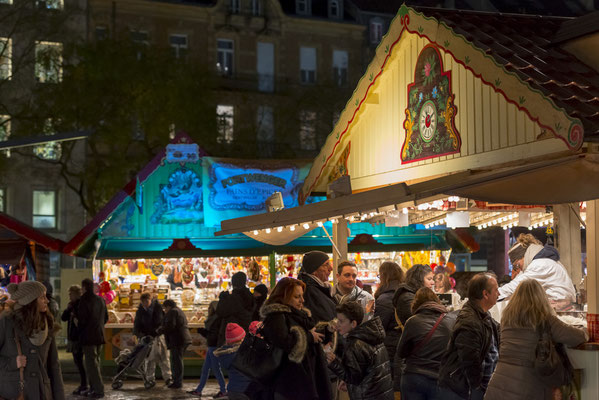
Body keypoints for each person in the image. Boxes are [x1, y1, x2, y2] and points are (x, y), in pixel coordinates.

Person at [485, 279, 586, 400]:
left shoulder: (507, 320)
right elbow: (577, 337)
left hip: (497, 385)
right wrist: (586, 330)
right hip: (527, 388)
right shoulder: (545, 319)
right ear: (541, 298)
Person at [260, 277, 332, 400]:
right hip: (289, 381)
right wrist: (309, 337)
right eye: (297, 297)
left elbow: (311, 333)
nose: (302, 300)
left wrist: (328, 330)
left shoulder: (300, 315)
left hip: (305, 374)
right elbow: (284, 342)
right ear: (284, 296)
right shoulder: (276, 316)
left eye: (302, 296)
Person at [438, 273, 500, 400]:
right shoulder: (470, 321)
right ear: (485, 294)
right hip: (463, 390)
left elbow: (499, 330)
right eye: (496, 290)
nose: (499, 293)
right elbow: (469, 359)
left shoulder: (483, 314)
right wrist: (478, 386)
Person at [0, 281, 65, 400]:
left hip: (42, 392)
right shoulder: (7, 322)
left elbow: (54, 366)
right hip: (15, 393)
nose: (47, 300)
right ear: (30, 300)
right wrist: (13, 363)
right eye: (42, 297)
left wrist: (59, 396)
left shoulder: (48, 324)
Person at [396, 288, 457, 400]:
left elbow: (401, 352)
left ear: (415, 304)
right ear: (437, 300)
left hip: (414, 378)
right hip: (440, 379)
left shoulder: (412, 321)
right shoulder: (451, 320)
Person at [327, 301, 394, 400]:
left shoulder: (354, 345)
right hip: (382, 393)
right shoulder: (372, 335)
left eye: (341, 321)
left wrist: (334, 363)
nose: (337, 324)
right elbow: (365, 371)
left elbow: (354, 378)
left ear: (353, 323)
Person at [499, 242, 576, 307]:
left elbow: (518, 286)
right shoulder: (545, 261)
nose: (520, 269)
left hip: (558, 307)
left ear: (524, 257)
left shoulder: (540, 264)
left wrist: (493, 294)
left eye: (517, 265)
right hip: (562, 304)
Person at [133, 292, 172, 388]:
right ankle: (150, 378)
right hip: (147, 337)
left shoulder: (157, 308)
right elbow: (137, 323)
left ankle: (168, 378)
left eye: (146, 301)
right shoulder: (140, 310)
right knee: (149, 358)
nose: (145, 304)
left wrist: (155, 332)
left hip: (158, 336)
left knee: (163, 357)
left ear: (151, 300)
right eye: (143, 302)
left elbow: (159, 321)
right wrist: (138, 334)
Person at [373, 261, 404, 381]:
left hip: (390, 348)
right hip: (405, 344)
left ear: (384, 276)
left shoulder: (385, 298)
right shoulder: (405, 293)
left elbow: (379, 328)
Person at [77, 278, 108, 399]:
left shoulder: (84, 300)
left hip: (88, 336)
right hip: (99, 335)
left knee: (91, 364)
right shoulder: (100, 299)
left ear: (84, 287)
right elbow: (106, 317)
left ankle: (98, 389)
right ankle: (93, 388)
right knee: (95, 362)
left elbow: (82, 320)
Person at [188, 301, 226, 398]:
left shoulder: (216, 319)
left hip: (214, 346)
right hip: (211, 345)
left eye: (210, 307)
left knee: (216, 369)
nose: (208, 309)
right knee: (205, 369)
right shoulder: (214, 319)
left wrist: (201, 331)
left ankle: (223, 390)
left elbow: (213, 334)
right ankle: (199, 390)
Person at [296, 251, 337, 328]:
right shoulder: (309, 291)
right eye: (326, 265)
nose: (331, 268)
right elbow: (322, 320)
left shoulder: (320, 288)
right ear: (314, 270)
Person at [214, 323, 252, 399]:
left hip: (233, 390)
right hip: (247, 390)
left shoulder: (226, 354)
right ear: (241, 339)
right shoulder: (243, 353)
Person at [160, 299, 192, 389]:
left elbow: (170, 326)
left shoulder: (173, 312)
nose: (165, 311)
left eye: (165, 309)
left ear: (168, 307)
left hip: (178, 339)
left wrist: (161, 330)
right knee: (177, 360)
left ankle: (177, 382)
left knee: (176, 361)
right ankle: (177, 381)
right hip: (182, 339)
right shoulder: (179, 310)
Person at [216, 271, 254, 346]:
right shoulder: (250, 296)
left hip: (233, 335)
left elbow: (220, 312)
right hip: (246, 332)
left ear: (233, 283)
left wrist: (223, 299)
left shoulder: (233, 298)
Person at [61, 284, 87, 395]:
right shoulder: (72, 305)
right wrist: (68, 309)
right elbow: (63, 318)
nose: (69, 296)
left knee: (79, 361)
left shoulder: (81, 305)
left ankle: (84, 384)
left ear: (76, 294)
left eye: (70, 294)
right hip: (73, 337)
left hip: (78, 338)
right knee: (78, 361)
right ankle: (83, 383)